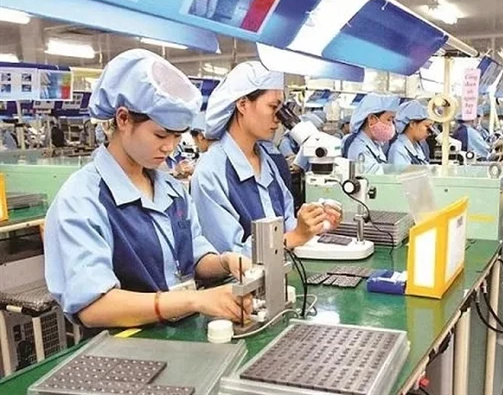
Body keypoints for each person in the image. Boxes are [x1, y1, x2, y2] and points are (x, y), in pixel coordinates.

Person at [44, 49, 252, 328]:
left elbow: (195, 258)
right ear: (123, 119)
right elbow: (93, 307)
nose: (169, 147)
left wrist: (226, 262)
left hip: (180, 335)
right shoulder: (83, 199)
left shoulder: (172, 191)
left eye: (177, 136)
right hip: (121, 352)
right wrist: (194, 301)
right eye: (160, 135)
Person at [190, 61, 341, 258]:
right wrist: (295, 236)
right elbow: (228, 257)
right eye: (273, 107)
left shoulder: (266, 161)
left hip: (278, 273)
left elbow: (288, 225)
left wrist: (314, 223)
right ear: (243, 104)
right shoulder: (210, 172)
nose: (278, 118)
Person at [343, 93, 400, 174]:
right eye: (388, 119)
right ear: (372, 118)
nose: (391, 125)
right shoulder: (360, 149)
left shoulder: (374, 144)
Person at [387, 100, 431, 166]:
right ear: (412, 124)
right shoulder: (398, 150)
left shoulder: (418, 147)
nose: (429, 132)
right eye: (427, 126)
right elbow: (404, 175)